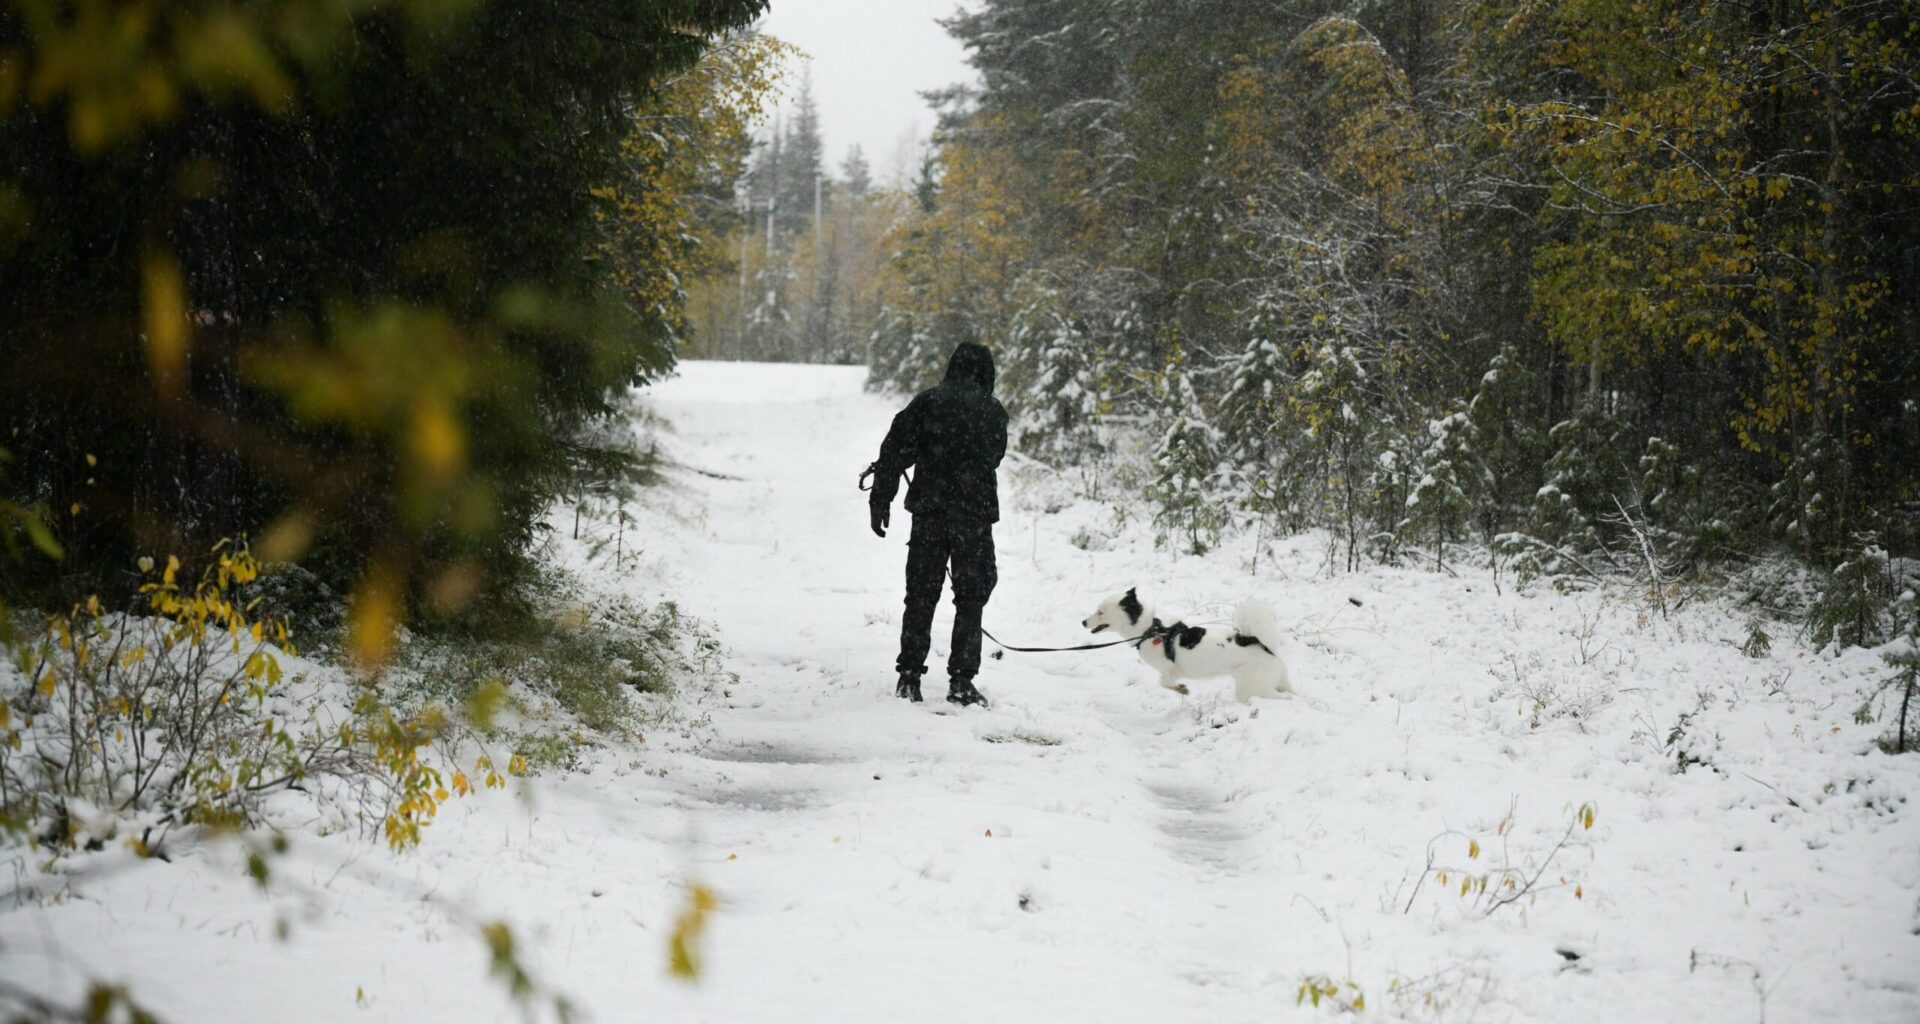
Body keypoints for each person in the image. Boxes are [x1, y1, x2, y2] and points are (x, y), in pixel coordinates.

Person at [866, 342, 1009, 707]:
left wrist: (880, 498)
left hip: (930, 513)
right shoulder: (993, 411)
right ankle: (961, 681)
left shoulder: (927, 402)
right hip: (974, 518)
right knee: (971, 598)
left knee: (920, 595)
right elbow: (993, 456)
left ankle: (909, 677)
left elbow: (895, 450)